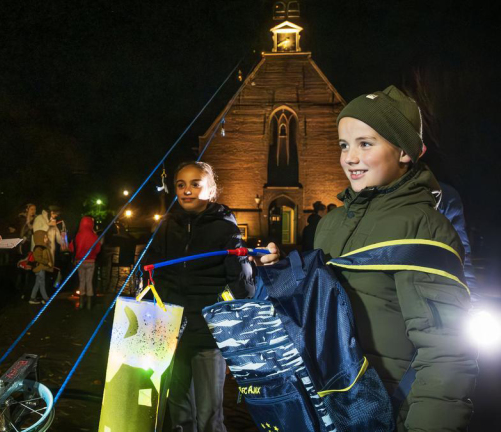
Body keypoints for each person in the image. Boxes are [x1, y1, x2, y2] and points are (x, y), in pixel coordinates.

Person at [308, 86, 477, 430]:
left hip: (390, 411)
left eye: (365, 144)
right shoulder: (330, 223)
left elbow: (446, 355)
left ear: (403, 152)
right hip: (330, 409)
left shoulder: (425, 226)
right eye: (344, 144)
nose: (349, 157)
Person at [144, 161, 276, 432]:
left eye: (195, 184)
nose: (187, 191)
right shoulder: (167, 227)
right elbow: (153, 274)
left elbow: (242, 283)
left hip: (208, 333)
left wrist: (241, 323)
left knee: (208, 415)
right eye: (181, 185)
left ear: (212, 190)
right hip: (172, 331)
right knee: (177, 408)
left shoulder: (225, 228)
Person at [69, 216, 102, 309]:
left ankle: (81, 302)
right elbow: (98, 249)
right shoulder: (93, 235)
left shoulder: (78, 235)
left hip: (80, 262)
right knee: (89, 281)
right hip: (91, 261)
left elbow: (71, 248)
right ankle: (89, 304)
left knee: (82, 281)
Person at [30, 231, 54, 304]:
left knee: (37, 284)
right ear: (40, 238)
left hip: (41, 268)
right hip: (40, 269)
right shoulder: (38, 248)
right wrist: (47, 262)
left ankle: (32, 298)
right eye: (45, 237)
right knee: (42, 284)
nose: (47, 239)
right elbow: (38, 258)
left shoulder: (43, 247)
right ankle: (45, 298)